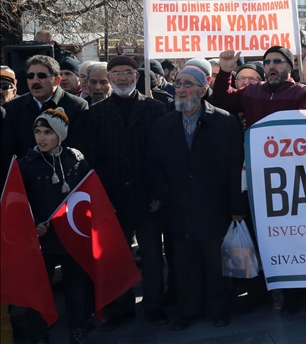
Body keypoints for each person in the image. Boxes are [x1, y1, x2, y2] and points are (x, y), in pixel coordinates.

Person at [212, 46, 306, 316]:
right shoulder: (251, 92)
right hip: (255, 178)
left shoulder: (300, 93)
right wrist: (225, 71)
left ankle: (294, 294)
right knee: (258, 238)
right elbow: (221, 102)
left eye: (277, 62)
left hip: (288, 181)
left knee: (288, 238)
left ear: (289, 67)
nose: (271, 66)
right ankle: (259, 292)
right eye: (267, 62)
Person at [147, 67, 246, 331]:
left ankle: (217, 310)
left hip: (215, 207)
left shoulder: (224, 122)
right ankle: (188, 311)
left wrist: (236, 207)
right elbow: (154, 165)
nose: (180, 89)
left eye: (188, 84)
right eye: (178, 83)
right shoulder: (163, 125)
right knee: (184, 264)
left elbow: (235, 167)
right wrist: (165, 194)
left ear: (202, 90)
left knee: (215, 265)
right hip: (178, 208)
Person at [83, 54, 170, 330]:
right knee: (117, 258)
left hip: (148, 198)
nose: (122, 78)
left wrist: (159, 193)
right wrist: (102, 198)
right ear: (109, 78)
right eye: (117, 73)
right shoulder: (94, 113)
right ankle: (121, 307)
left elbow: (162, 157)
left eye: (128, 73)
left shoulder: (157, 109)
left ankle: (154, 305)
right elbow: (93, 159)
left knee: (153, 258)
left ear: (137, 76)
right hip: (112, 199)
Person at [19, 108, 94, 344]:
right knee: (40, 287)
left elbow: (88, 193)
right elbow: (18, 202)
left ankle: (77, 328)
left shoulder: (76, 159)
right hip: (42, 238)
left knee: (75, 287)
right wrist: (33, 225)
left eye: (48, 132)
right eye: (38, 132)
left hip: (70, 236)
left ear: (60, 135)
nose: (41, 138)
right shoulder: (26, 164)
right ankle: (38, 333)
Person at [1, 55, 88, 171]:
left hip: (63, 178)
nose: (35, 81)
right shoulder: (14, 107)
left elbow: (78, 149)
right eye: (30, 76)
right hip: (25, 178)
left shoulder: (77, 106)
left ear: (57, 80)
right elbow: (8, 149)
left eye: (41, 76)